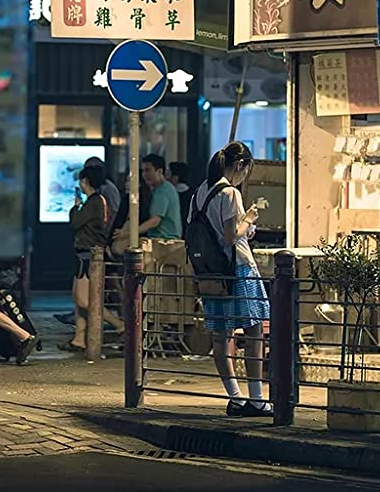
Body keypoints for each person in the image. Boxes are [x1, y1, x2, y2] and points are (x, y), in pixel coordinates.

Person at [189, 141, 271, 417]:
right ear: (240, 165)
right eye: (246, 170)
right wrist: (248, 220)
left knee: (221, 336)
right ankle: (257, 400)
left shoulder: (199, 193)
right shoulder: (230, 193)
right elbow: (229, 236)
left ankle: (235, 398)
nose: (245, 176)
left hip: (211, 273)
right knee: (254, 332)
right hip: (238, 270)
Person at [61, 164, 125, 352]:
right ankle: (79, 339)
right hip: (84, 256)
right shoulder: (95, 201)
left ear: (85, 181)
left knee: (85, 300)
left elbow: (76, 222)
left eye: (81, 180)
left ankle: (118, 324)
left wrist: (75, 207)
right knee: (78, 298)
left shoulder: (95, 202)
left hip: (89, 256)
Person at [113, 154, 181, 244]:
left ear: (159, 171)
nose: (144, 174)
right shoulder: (162, 189)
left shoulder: (162, 191)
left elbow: (155, 221)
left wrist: (128, 233)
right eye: (143, 171)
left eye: (148, 170)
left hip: (164, 241)